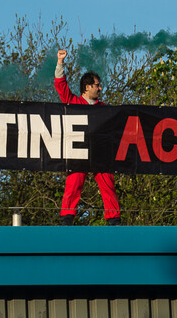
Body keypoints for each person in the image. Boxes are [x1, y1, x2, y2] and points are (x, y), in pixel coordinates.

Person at [54, 49, 122, 226]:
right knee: (74, 181)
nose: (100, 88)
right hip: (79, 150)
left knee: (107, 181)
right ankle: (67, 218)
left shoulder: (104, 107)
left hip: (100, 151)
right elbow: (61, 87)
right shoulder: (74, 102)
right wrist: (60, 62)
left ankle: (114, 219)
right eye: (97, 85)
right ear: (87, 87)